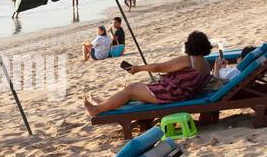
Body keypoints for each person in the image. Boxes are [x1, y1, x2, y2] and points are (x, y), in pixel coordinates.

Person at [84, 30, 213, 116]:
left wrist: (137, 68)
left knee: (131, 90)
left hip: (170, 94)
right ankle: (105, 103)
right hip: (184, 94)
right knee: (132, 87)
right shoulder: (206, 65)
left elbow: (159, 67)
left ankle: (97, 109)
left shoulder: (187, 60)